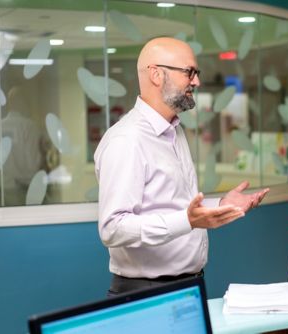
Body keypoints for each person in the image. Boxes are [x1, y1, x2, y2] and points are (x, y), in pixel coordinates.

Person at [94, 37, 269, 296]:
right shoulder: (127, 139)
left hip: (187, 286)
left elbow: (172, 204)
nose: (196, 81)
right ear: (156, 74)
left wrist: (220, 206)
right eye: (189, 72)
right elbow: (113, 228)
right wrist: (186, 220)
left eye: (196, 73)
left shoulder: (174, 130)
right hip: (146, 293)